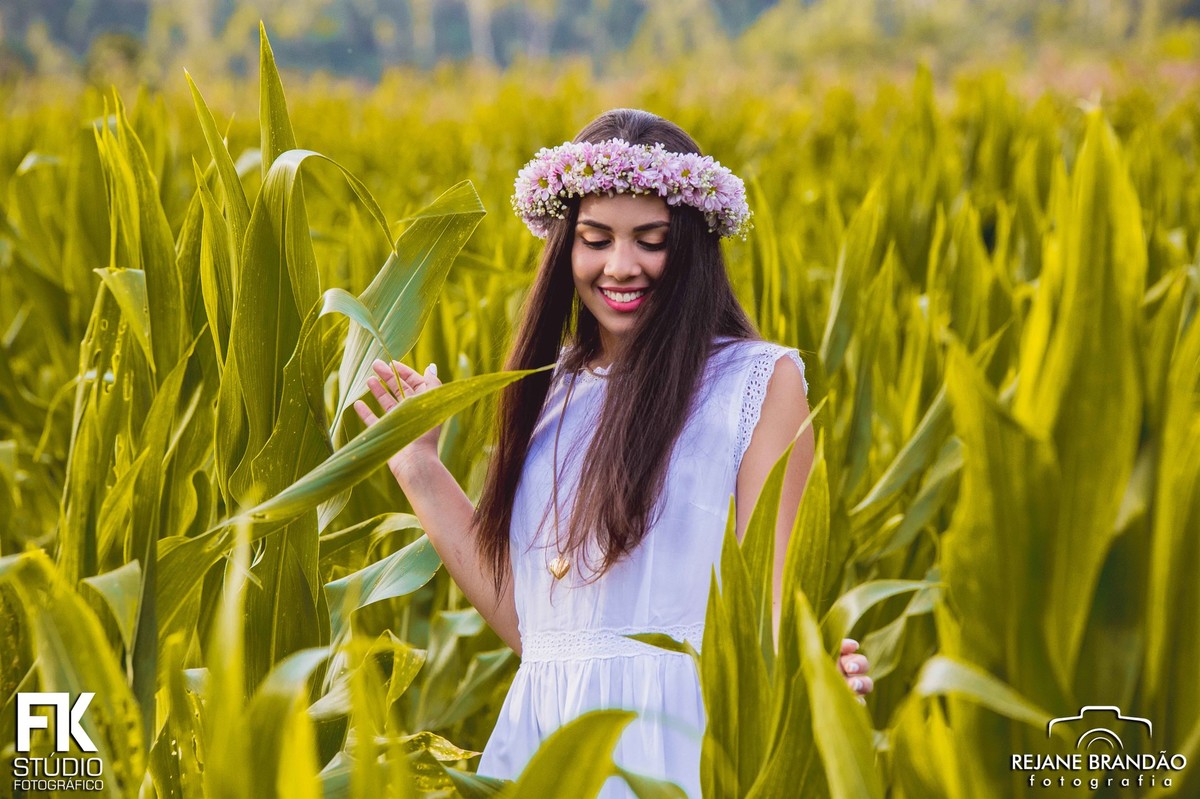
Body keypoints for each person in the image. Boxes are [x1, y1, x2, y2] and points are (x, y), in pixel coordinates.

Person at [353, 108, 873, 798]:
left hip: (683, 741)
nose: (620, 266)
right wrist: (417, 466)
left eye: (650, 240)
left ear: (690, 246)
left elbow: (774, 598)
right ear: (566, 246)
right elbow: (536, 625)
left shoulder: (756, 382)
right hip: (549, 747)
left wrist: (817, 673)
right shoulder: (548, 391)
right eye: (596, 239)